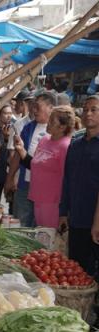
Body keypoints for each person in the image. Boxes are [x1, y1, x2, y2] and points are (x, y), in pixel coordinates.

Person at [59, 95, 99, 281]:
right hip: (76, 219)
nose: (88, 113)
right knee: (77, 270)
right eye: (86, 109)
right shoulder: (75, 145)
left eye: (94, 109)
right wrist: (63, 212)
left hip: (95, 222)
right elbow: (67, 181)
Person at [14, 106, 74, 228]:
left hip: (53, 202)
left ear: (62, 127)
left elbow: (67, 178)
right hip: (37, 197)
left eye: (52, 121)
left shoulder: (65, 146)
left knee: (49, 237)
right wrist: (21, 150)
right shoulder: (44, 140)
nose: (48, 123)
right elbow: (35, 165)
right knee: (41, 236)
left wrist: (64, 207)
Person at [6, 91, 57, 227]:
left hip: (46, 189)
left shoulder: (58, 131)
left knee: (41, 227)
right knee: (21, 224)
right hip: (25, 186)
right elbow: (18, 155)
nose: (33, 110)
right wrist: (10, 178)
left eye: (37, 106)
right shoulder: (28, 127)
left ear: (51, 108)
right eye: (33, 106)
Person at [0, 104, 14, 201]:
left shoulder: (14, 129)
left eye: (10, 113)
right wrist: (5, 139)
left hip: (8, 171)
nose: (9, 116)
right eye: (5, 113)